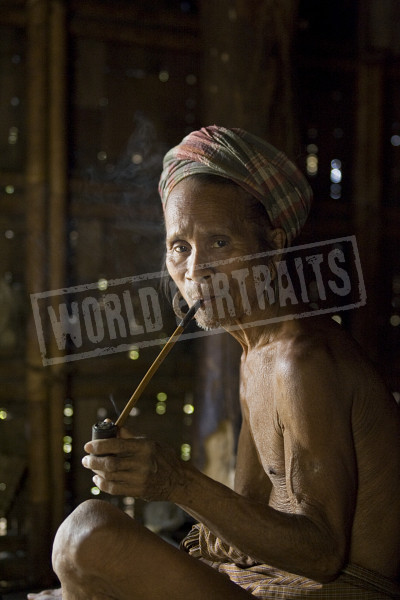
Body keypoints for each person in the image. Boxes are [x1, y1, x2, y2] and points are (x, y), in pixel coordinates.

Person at [28, 126, 400, 599]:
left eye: (220, 243)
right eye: (180, 247)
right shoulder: (255, 355)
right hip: (263, 584)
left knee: (87, 535)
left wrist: (175, 481)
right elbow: (245, 524)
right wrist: (168, 491)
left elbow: (322, 554)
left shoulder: (302, 361)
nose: (195, 269)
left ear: (274, 246)